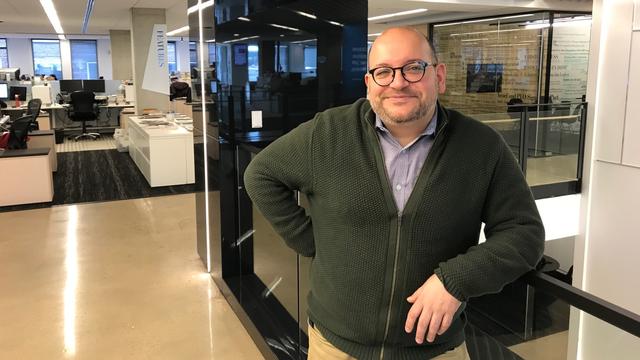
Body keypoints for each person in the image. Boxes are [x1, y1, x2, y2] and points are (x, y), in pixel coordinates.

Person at [244, 27, 544, 360]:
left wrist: (456, 281)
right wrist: (310, 241)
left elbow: (524, 234)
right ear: (370, 84)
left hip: (436, 351)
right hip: (336, 348)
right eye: (383, 72)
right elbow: (261, 175)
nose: (398, 82)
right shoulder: (328, 133)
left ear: (439, 76)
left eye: (414, 68)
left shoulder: (482, 148)